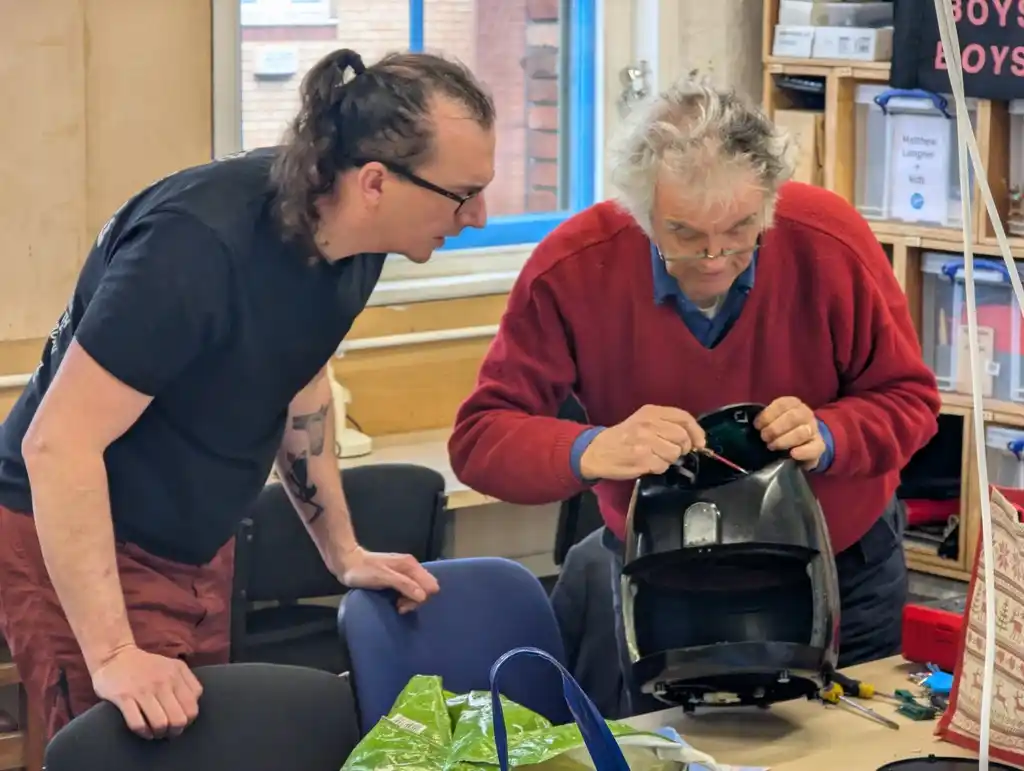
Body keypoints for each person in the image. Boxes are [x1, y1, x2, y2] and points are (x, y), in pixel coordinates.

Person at [0, 48, 496, 741]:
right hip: (87, 532)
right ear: (376, 181)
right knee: (123, 746)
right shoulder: (193, 247)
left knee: (203, 743)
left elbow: (300, 377)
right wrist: (113, 655)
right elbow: (57, 445)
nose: (479, 217)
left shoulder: (361, 241)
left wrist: (343, 551)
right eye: (463, 194)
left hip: (198, 541)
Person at [449, 79, 941, 715]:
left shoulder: (828, 240)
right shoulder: (572, 268)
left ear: (770, 200)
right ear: (638, 210)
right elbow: (480, 438)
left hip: (840, 569)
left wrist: (830, 433)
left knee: (847, 747)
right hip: (666, 582)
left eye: (740, 229)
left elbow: (909, 399)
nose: (713, 257)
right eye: (682, 233)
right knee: (675, 753)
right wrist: (592, 449)